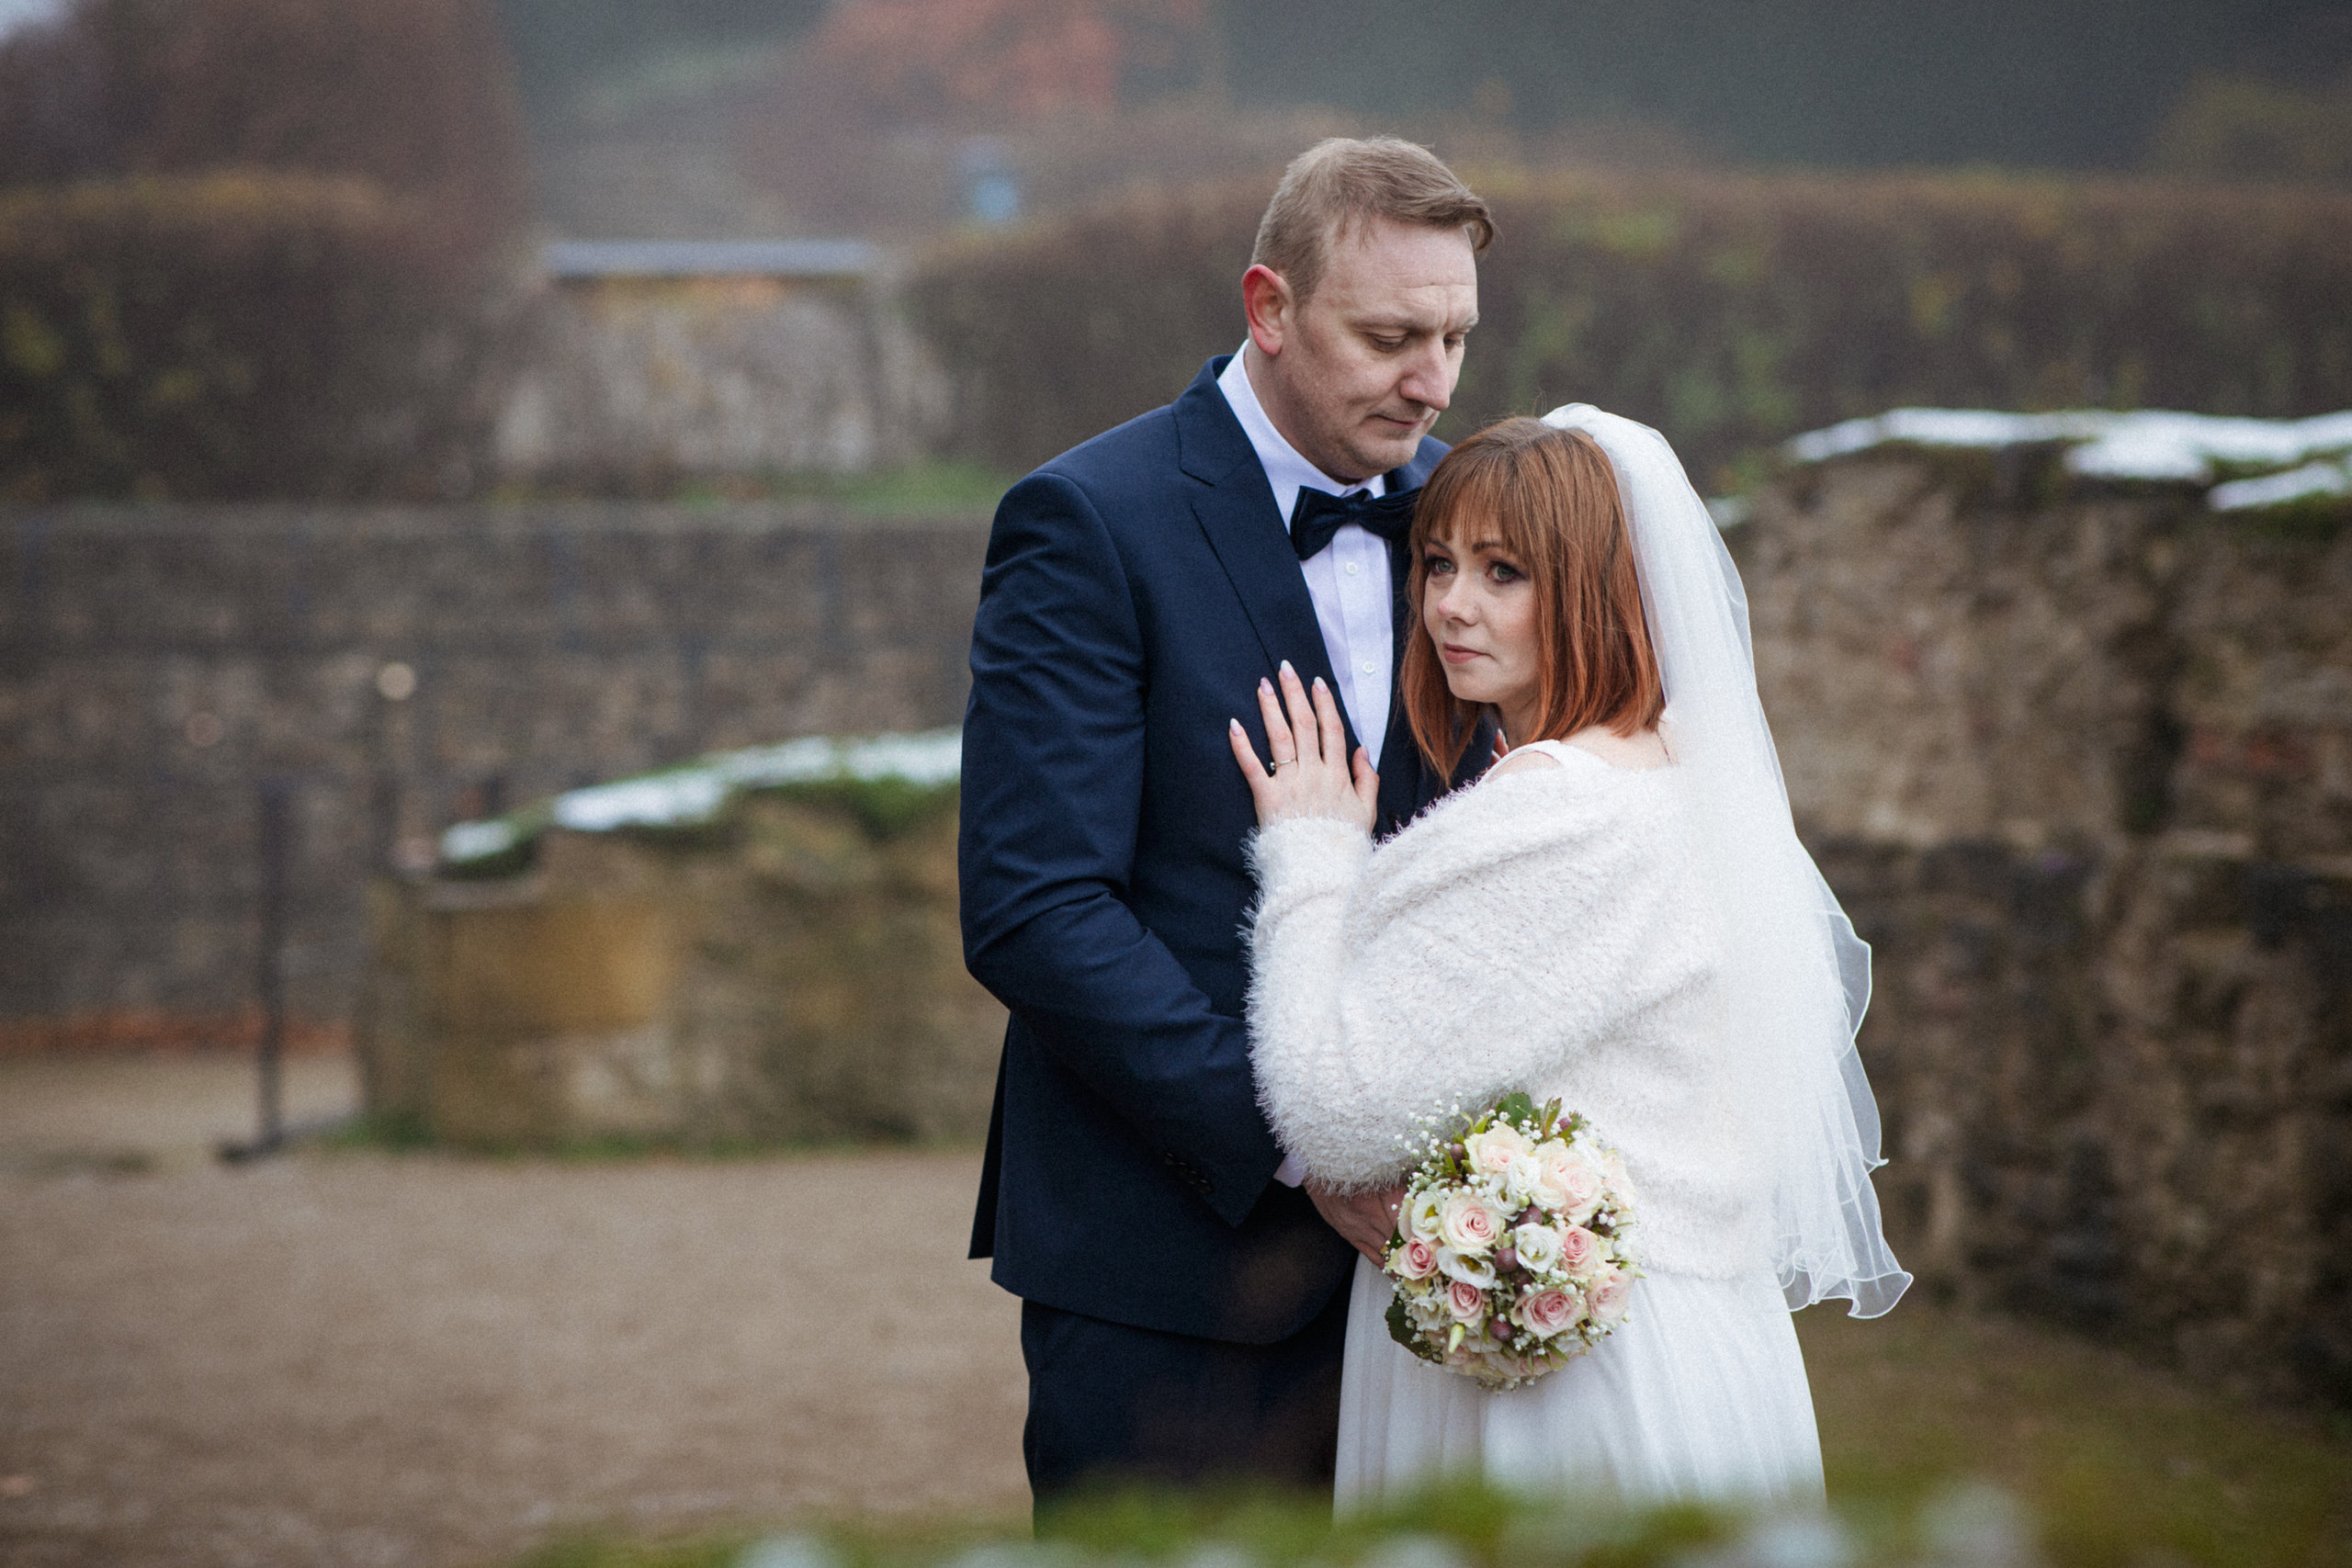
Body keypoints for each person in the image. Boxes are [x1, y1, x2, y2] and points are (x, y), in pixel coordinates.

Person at [1231, 412, 1912, 1507]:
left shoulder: (1559, 816)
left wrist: (1310, 859)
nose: (1451, 604)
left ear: (1597, 589)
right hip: (1694, 1343)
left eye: (1504, 574)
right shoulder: (1683, 779)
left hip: (1571, 1387)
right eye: (1440, 564)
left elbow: (1335, 1110)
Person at [957, 138, 1499, 1505]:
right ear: (1268, 307)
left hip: (1448, 1276)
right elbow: (1037, 906)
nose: (1429, 378)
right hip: (1169, 1266)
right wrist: (1307, 1140)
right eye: (1388, 335)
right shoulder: (1088, 519)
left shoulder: (1482, 523)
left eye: (1453, 336)